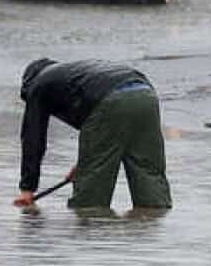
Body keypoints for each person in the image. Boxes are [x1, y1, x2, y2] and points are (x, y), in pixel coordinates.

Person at [13, 59, 172, 210]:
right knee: (148, 173)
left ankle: (92, 226)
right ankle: (153, 220)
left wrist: (27, 189)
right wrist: (84, 163)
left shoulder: (39, 85)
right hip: (145, 95)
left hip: (111, 98)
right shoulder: (75, 77)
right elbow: (99, 131)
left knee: (90, 200)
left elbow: (33, 139)